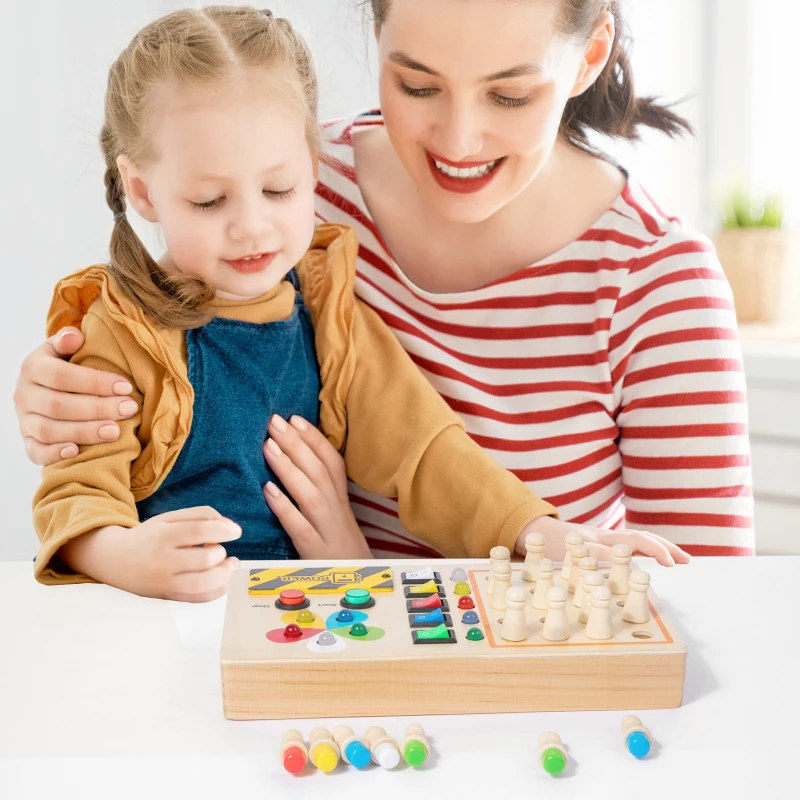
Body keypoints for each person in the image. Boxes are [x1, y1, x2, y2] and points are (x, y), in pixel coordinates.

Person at [15, 0, 729, 572]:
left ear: (589, 58)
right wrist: (57, 397)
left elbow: (425, 450)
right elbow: (83, 485)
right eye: (417, 85)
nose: (458, 139)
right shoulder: (297, 183)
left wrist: (532, 537)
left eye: (509, 94)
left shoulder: (322, 288)